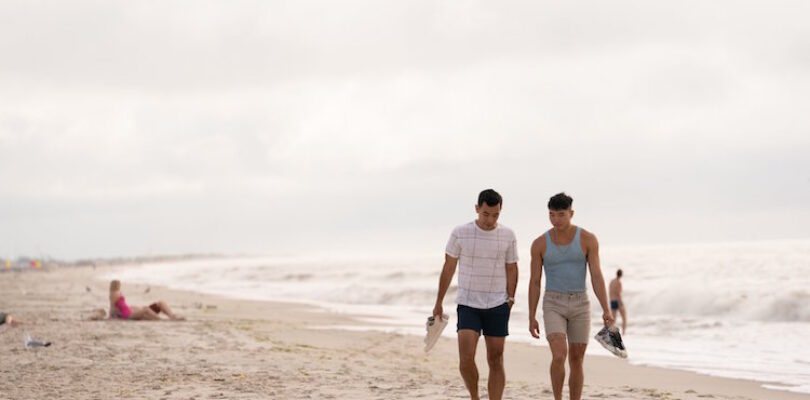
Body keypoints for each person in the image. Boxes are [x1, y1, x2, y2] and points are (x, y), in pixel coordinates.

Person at [432, 189, 519, 400]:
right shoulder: (460, 232)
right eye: (486, 214)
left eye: (495, 215)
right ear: (477, 209)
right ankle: (475, 396)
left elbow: (512, 268)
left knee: (496, 359)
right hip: (468, 303)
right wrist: (439, 302)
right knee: (466, 359)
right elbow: (449, 267)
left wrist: (510, 298)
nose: (490, 220)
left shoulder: (508, 235)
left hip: (498, 303)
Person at [528, 192, 614, 400]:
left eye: (561, 215)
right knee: (559, 355)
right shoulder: (540, 243)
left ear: (571, 213)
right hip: (553, 303)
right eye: (552, 215)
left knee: (576, 359)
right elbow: (535, 282)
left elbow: (596, 276)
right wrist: (532, 315)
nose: (556, 220)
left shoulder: (587, 239)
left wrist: (606, 309)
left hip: (580, 304)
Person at [109, 280, 185, 321]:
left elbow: (123, 305)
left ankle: (172, 316)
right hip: (128, 315)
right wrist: (112, 317)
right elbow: (112, 309)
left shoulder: (118, 293)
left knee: (160, 303)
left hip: (132, 311)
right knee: (146, 309)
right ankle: (161, 320)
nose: (119, 284)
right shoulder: (113, 294)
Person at [609, 269, 627, 334]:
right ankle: (624, 333)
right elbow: (618, 293)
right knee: (624, 317)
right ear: (621, 275)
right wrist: (621, 303)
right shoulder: (619, 282)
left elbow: (610, 292)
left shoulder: (612, 281)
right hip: (617, 301)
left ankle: (610, 332)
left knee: (613, 319)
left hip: (612, 301)